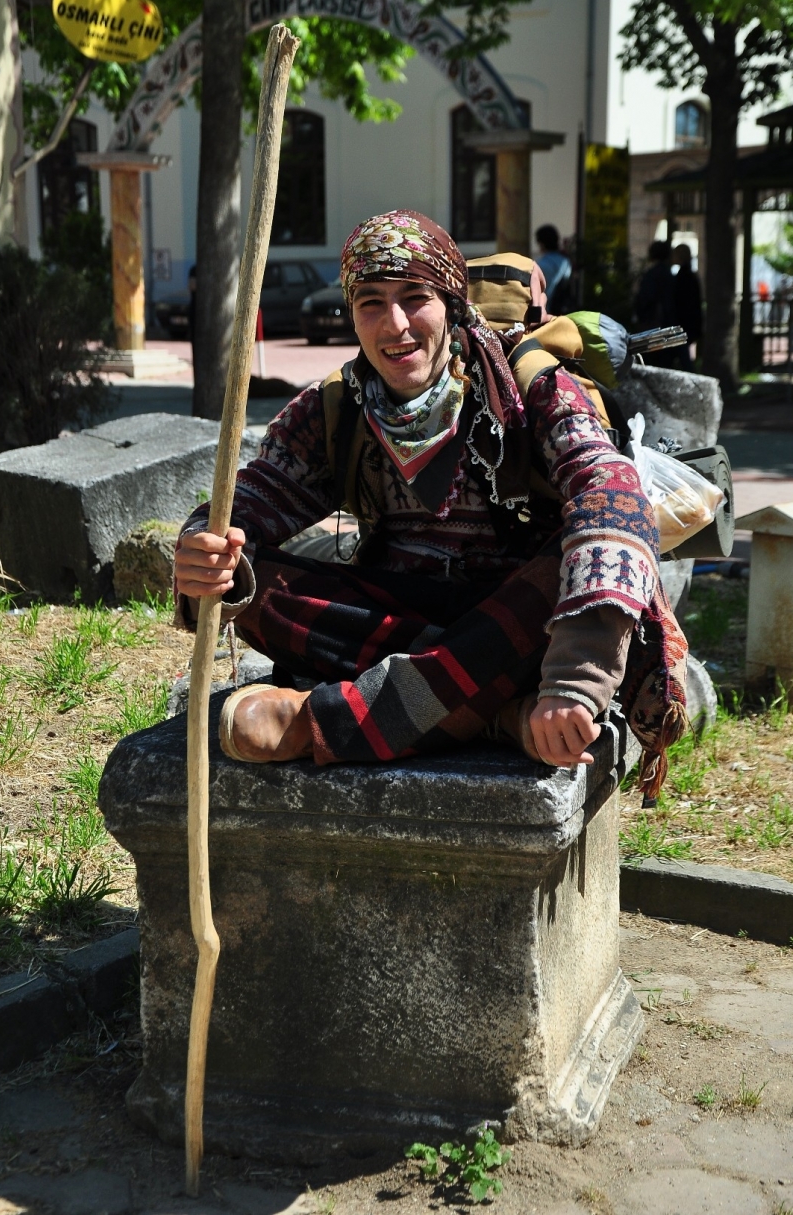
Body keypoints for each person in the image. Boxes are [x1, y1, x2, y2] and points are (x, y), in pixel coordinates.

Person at [174, 211, 688, 803]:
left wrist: (574, 682)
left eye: (415, 297)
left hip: (523, 632)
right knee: (245, 577)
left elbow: (614, 494)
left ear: (452, 304)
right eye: (370, 303)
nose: (395, 326)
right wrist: (204, 549)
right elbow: (253, 496)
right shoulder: (335, 408)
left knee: (561, 567)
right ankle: (494, 717)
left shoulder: (531, 388)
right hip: (407, 629)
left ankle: (319, 723)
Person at [634, 240, 682, 368]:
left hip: (653, 325)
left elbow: (645, 299)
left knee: (652, 362)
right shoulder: (669, 275)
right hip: (668, 323)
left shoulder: (651, 274)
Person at [671, 244, 703, 370]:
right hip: (689, 322)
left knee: (684, 357)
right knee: (685, 356)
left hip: (683, 323)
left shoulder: (683, 276)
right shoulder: (691, 275)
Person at [534, 224, 572, 316]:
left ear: (541, 243)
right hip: (563, 310)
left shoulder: (542, 265)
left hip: (546, 312)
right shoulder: (565, 261)